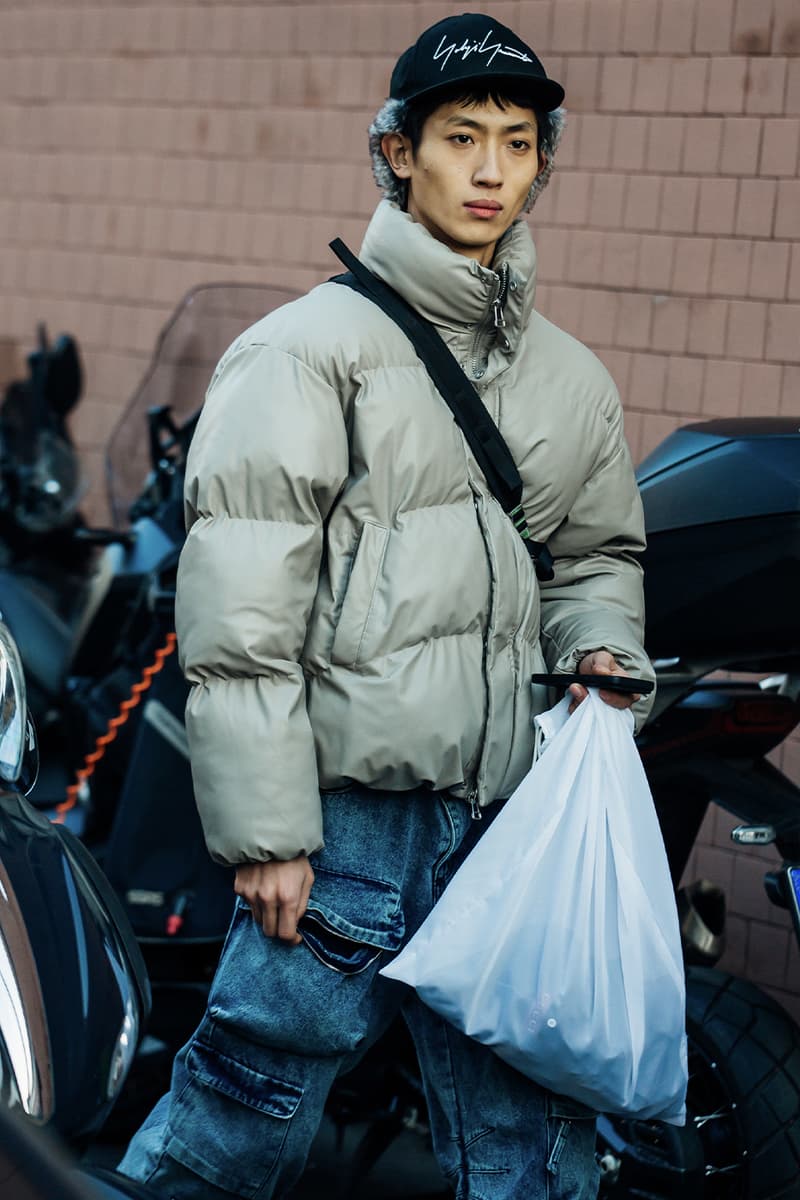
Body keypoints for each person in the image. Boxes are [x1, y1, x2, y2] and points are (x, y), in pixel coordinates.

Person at [119, 12, 655, 1199]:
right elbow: (241, 611)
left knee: (533, 1143)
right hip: (347, 822)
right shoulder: (304, 352)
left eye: (516, 144)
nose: (487, 169)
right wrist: (268, 834)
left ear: (539, 165)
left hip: (505, 822)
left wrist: (601, 647)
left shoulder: (572, 380)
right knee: (242, 1110)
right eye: (459, 137)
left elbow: (594, 558)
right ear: (396, 153)